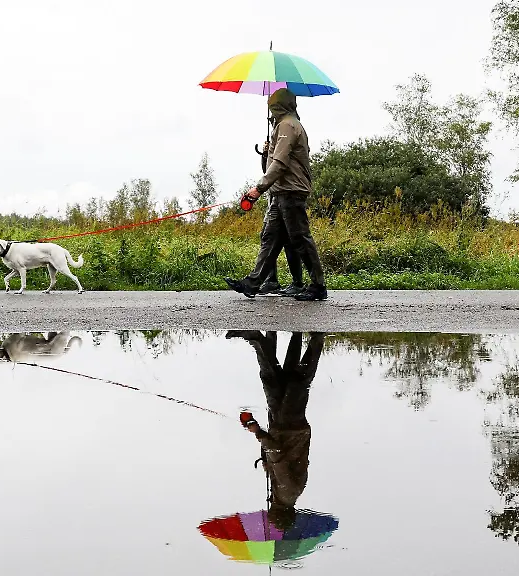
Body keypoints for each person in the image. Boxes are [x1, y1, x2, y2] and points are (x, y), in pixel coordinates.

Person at [225, 88, 327, 301]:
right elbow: (273, 162)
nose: (270, 111)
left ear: (279, 106)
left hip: (291, 192)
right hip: (280, 192)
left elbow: (280, 163)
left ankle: (318, 285)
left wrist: (258, 188)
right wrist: (267, 152)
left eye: (272, 106)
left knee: (300, 239)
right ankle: (253, 283)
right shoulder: (284, 126)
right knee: (270, 239)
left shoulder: (287, 126)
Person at [230, 330, 325, 530]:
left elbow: (278, 460)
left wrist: (267, 465)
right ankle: (316, 338)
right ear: (280, 514)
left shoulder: (287, 494)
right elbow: (277, 454)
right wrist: (258, 432)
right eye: (272, 517)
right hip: (290, 428)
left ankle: (265, 339)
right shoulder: (286, 493)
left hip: (285, 428)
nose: (269, 514)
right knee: (297, 382)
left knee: (278, 382)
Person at [255, 139, 305, 297]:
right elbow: (268, 171)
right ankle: (271, 280)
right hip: (274, 203)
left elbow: (278, 170)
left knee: (290, 241)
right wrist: (265, 155)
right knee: (267, 237)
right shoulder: (276, 151)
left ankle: (297, 283)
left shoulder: (287, 149)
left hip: (287, 199)